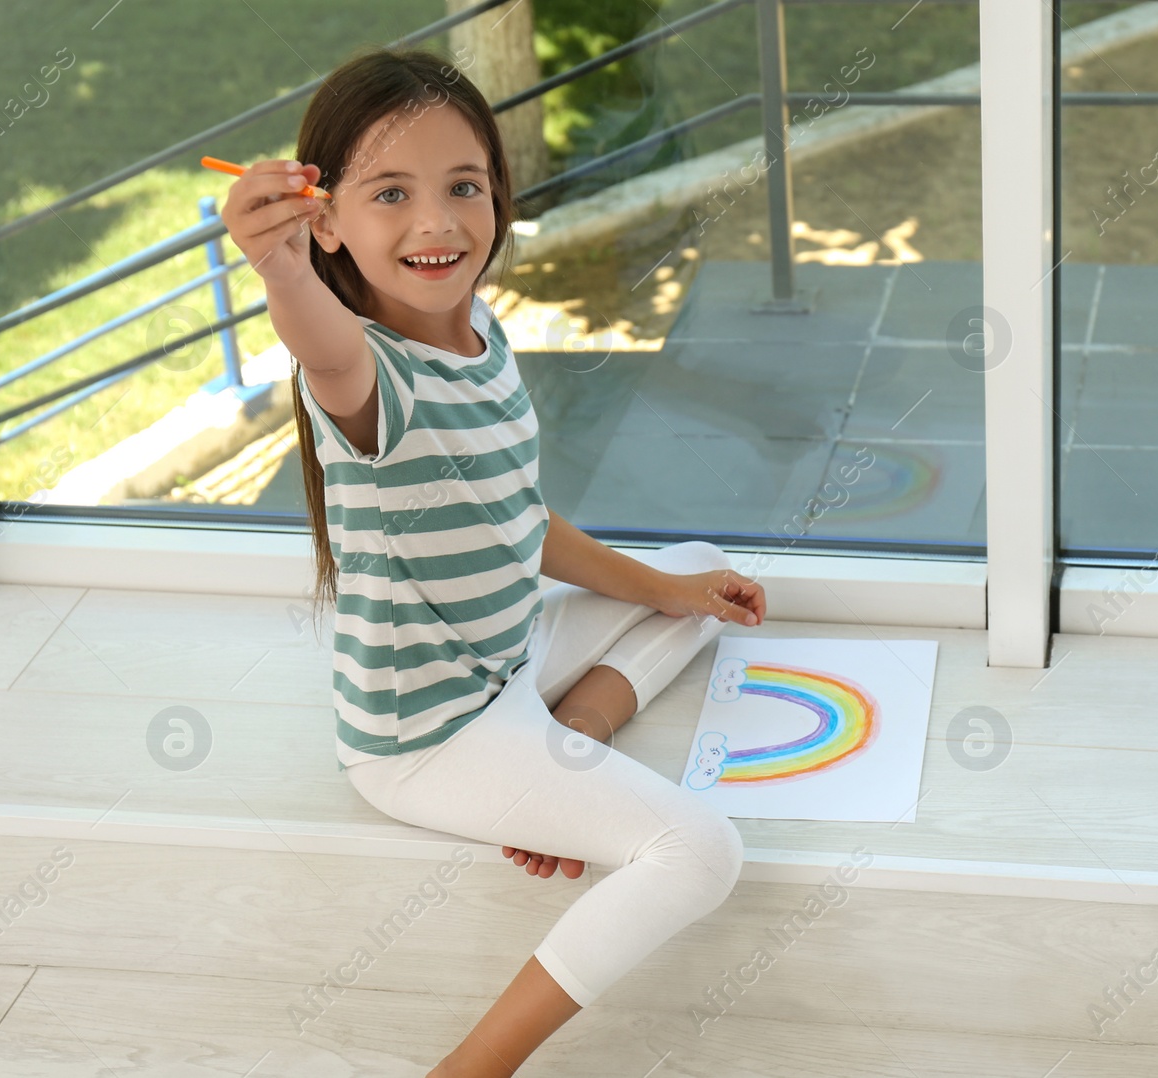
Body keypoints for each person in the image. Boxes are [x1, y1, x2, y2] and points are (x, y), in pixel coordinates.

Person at [218, 44, 764, 1078]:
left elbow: (518, 518)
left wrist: (667, 591)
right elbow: (317, 343)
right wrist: (280, 270)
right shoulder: (364, 370)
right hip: (429, 737)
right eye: (390, 195)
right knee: (701, 850)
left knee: (698, 573)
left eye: (464, 186)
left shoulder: (482, 334)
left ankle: (575, 733)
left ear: (501, 197)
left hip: (506, 660)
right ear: (324, 219)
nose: (438, 223)